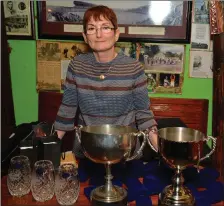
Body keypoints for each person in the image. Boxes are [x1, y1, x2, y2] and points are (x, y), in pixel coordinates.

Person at [54, 5, 158, 159]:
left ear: (116, 34)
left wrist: (163, 152)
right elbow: (66, 112)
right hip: (87, 152)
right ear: (84, 36)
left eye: (105, 27)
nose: (98, 34)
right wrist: (47, 149)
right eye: (91, 28)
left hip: (125, 154)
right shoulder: (77, 65)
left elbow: (144, 117)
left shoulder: (133, 68)